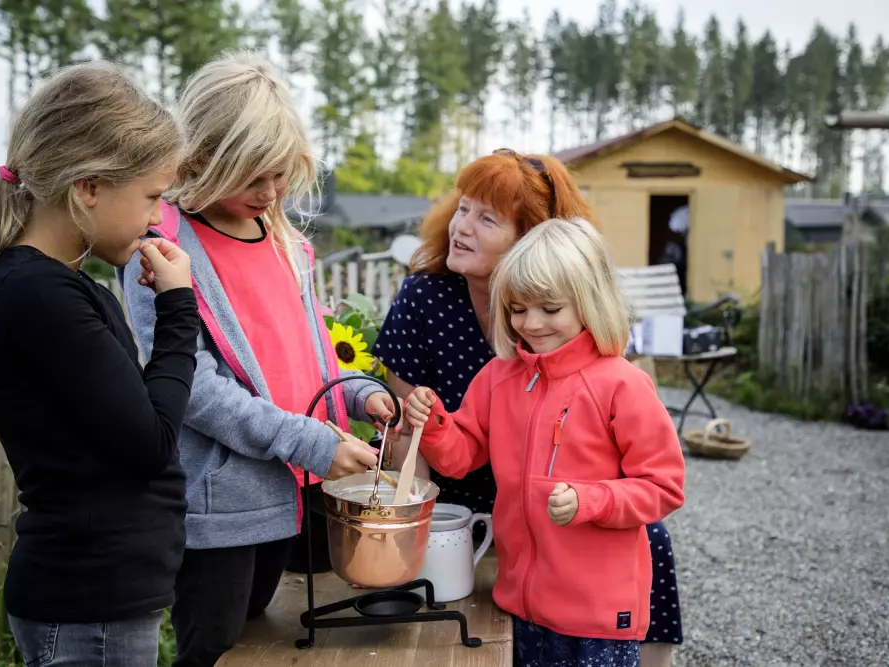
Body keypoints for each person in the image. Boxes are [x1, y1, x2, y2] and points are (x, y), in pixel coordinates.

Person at [118, 51, 395, 667]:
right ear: (200, 159)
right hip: (223, 508)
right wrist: (309, 442)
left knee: (266, 640)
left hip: (292, 486)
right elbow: (192, 388)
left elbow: (311, 350)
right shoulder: (161, 251)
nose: (270, 193)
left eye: (280, 176)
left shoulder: (285, 242)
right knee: (215, 649)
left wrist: (355, 391)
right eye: (251, 178)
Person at [372, 149, 685, 667]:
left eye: (487, 218)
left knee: (650, 544)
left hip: (590, 582)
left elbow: (661, 482)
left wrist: (591, 501)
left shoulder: (616, 381)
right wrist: (434, 424)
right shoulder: (485, 358)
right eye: (462, 208)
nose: (531, 324)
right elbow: (452, 447)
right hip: (505, 560)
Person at [0, 63, 197, 666]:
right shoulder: (39, 295)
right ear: (89, 188)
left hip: (102, 598)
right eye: (152, 196)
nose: (157, 218)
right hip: (89, 605)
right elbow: (151, 442)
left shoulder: (63, 288)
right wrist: (179, 309)